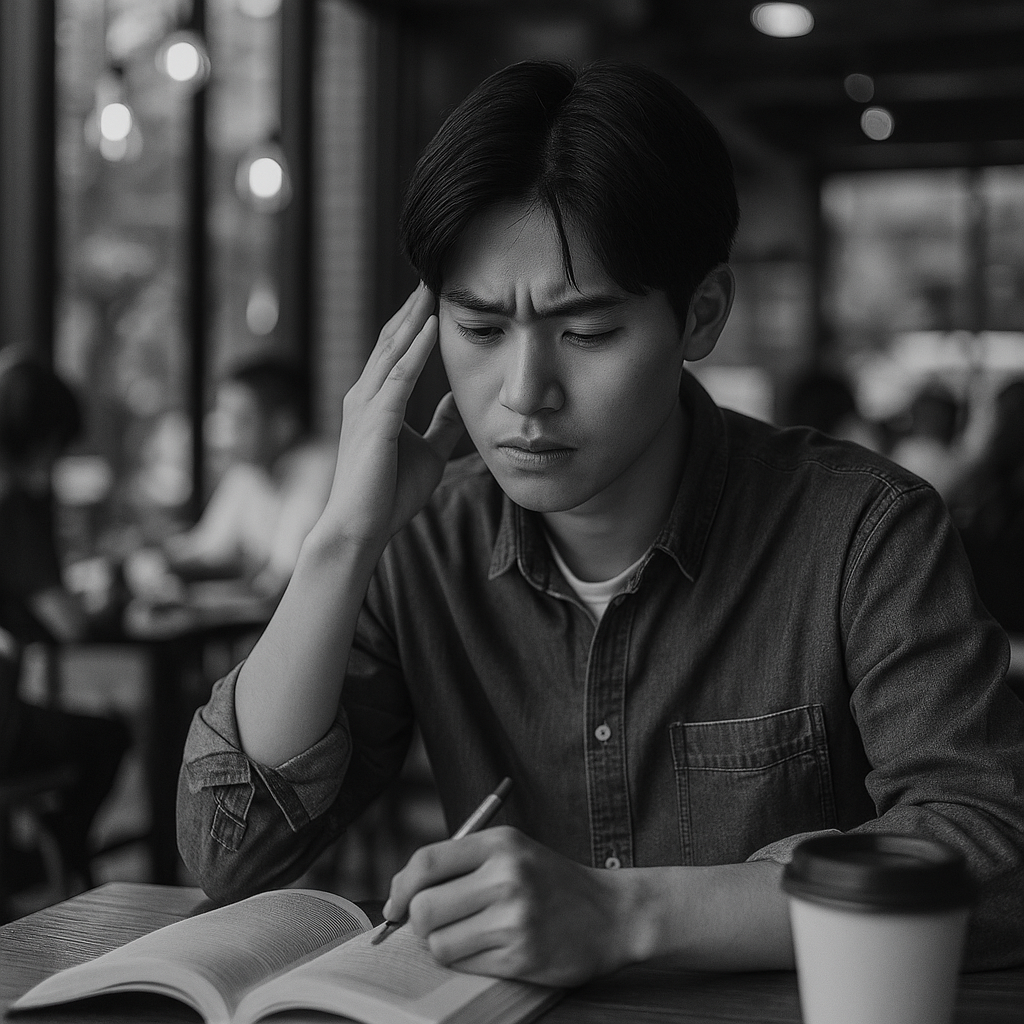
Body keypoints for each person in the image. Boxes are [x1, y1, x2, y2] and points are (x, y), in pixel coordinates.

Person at [177, 60, 1024, 982]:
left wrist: (629, 914)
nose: (524, 395)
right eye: (480, 329)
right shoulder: (418, 541)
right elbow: (233, 853)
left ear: (701, 316)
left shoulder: (863, 533)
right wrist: (340, 541)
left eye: (586, 334)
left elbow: (992, 852)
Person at [0, 350, 130, 888]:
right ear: (46, 440)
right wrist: (108, 601)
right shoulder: (12, 504)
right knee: (108, 735)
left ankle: (24, 860)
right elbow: (68, 624)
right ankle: (58, 860)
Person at [129, 356, 335, 603]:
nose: (224, 433)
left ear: (283, 425)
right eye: (223, 417)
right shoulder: (247, 473)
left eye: (240, 421)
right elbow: (208, 547)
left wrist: (191, 595)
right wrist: (154, 555)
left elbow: (282, 581)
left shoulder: (319, 469)